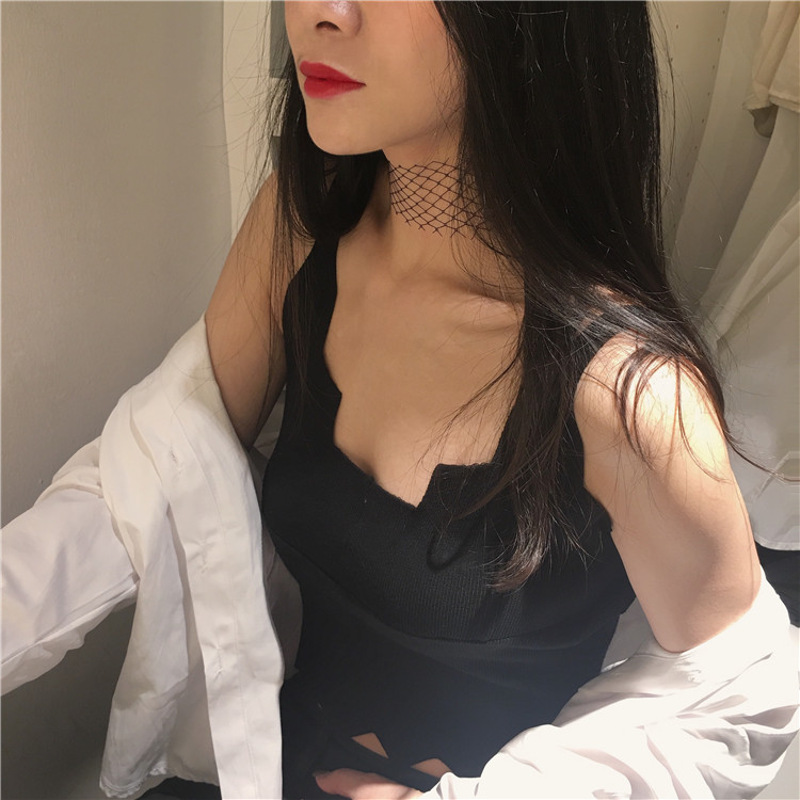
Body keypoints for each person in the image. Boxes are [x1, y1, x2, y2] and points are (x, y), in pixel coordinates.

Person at [2, 3, 798, 800]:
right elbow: (151, 467)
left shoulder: (631, 394)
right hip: (261, 764)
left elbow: (745, 692)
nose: (318, 11)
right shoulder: (300, 224)